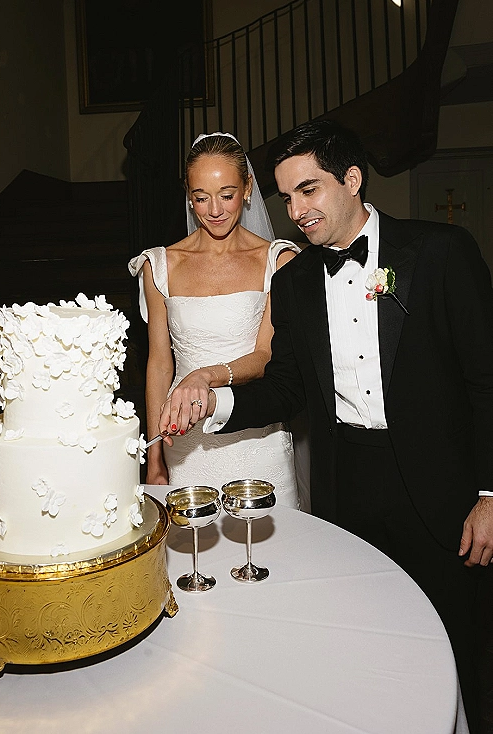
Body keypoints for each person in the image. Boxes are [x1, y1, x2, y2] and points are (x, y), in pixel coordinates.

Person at [160, 119, 493, 731]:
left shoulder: (441, 252)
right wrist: (217, 400)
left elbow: (485, 380)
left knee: (453, 648)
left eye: (309, 190)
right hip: (348, 488)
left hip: (440, 491)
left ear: (353, 179)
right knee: (365, 642)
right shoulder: (293, 282)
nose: (296, 210)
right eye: (286, 197)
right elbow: (287, 389)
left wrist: (490, 494)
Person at [129, 131, 305, 508]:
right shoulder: (159, 265)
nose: (215, 210)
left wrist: (205, 375)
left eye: (226, 194)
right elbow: (159, 363)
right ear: (189, 198)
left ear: (247, 189)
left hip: (260, 442)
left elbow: (265, 356)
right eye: (201, 197)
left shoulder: (277, 261)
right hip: (187, 445)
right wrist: (155, 458)